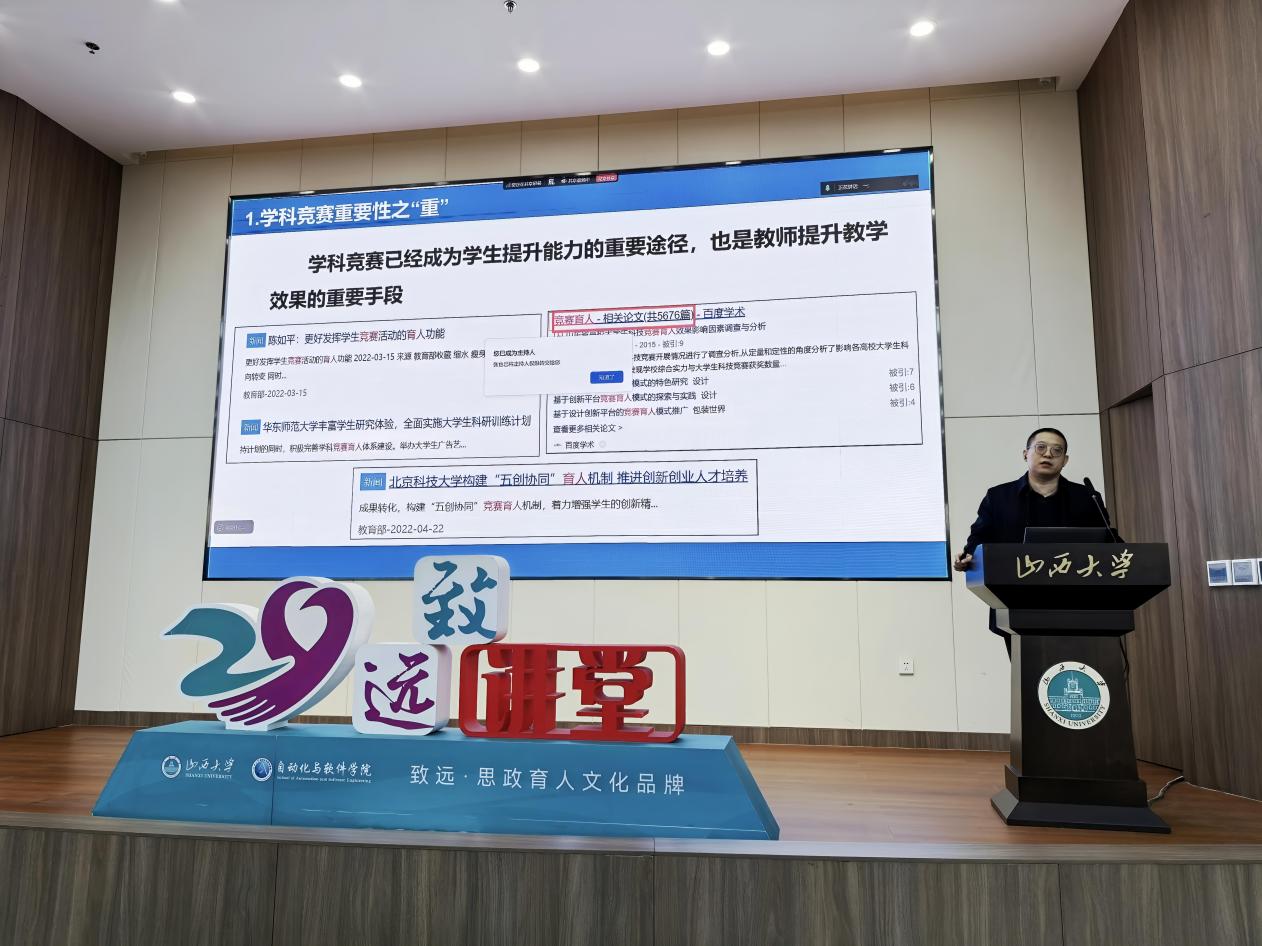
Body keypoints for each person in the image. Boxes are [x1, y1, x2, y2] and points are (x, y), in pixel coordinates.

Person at [953, 427, 1113, 657]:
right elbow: (978, 539)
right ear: (1025, 454)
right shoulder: (999, 497)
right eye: (1041, 448)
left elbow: (1108, 541)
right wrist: (968, 556)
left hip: (1077, 604)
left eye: (1056, 450)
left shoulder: (1086, 497)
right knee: (1028, 673)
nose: (1048, 454)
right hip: (1015, 604)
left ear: (1065, 460)